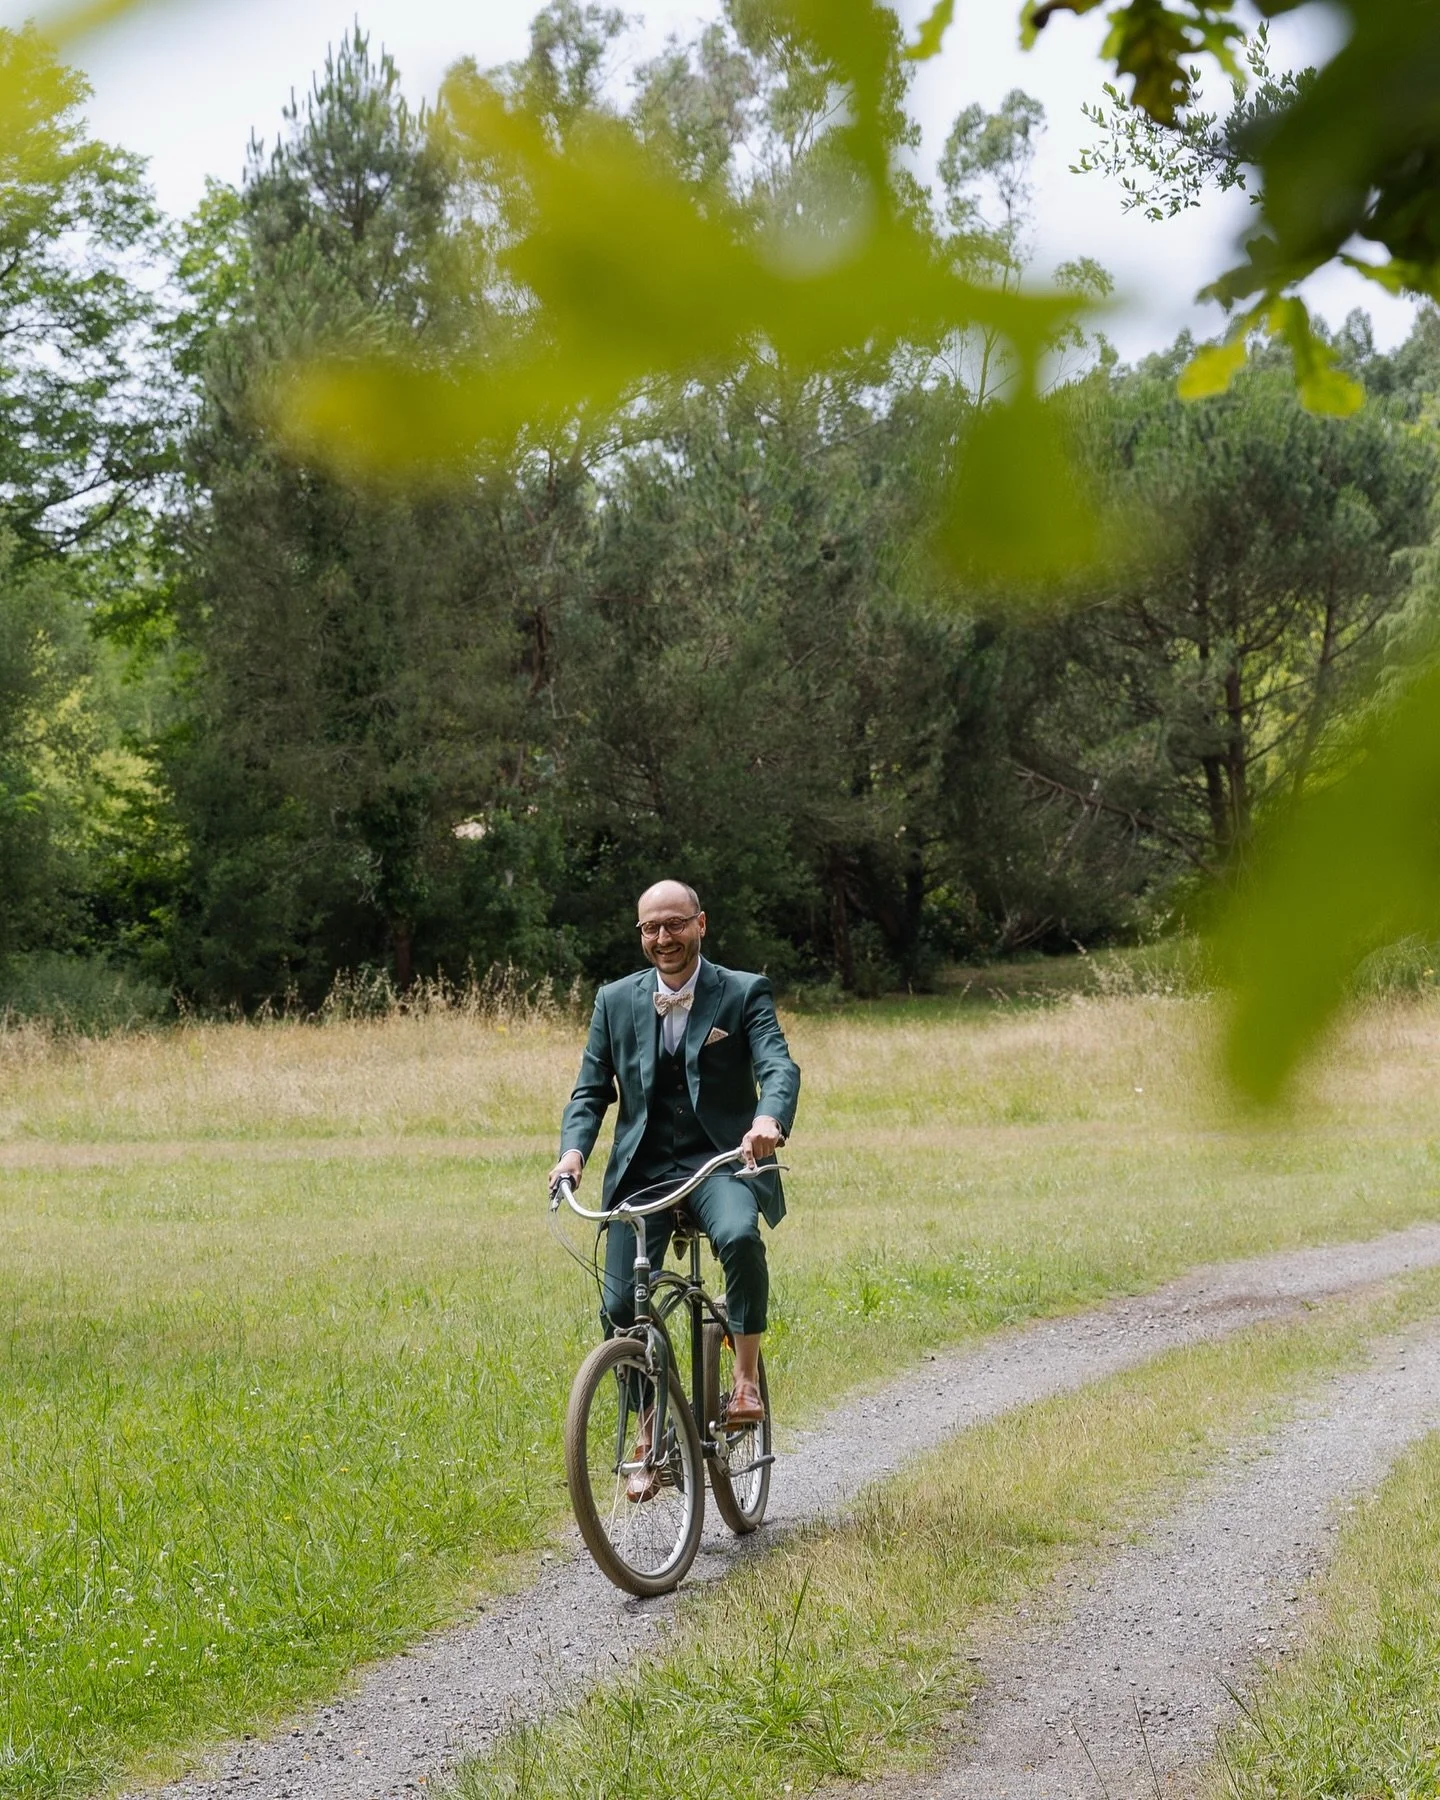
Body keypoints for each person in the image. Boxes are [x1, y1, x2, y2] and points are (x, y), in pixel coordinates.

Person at [549, 879, 800, 1497]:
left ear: (700, 924)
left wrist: (767, 1119)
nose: (663, 938)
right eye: (651, 928)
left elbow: (777, 1064)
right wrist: (573, 1153)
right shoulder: (614, 1000)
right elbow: (590, 1090)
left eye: (675, 924)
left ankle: (744, 1380)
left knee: (739, 1235)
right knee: (619, 1305)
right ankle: (649, 1432)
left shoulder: (743, 991)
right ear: (641, 933)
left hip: (720, 1162)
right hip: (643, 1173)